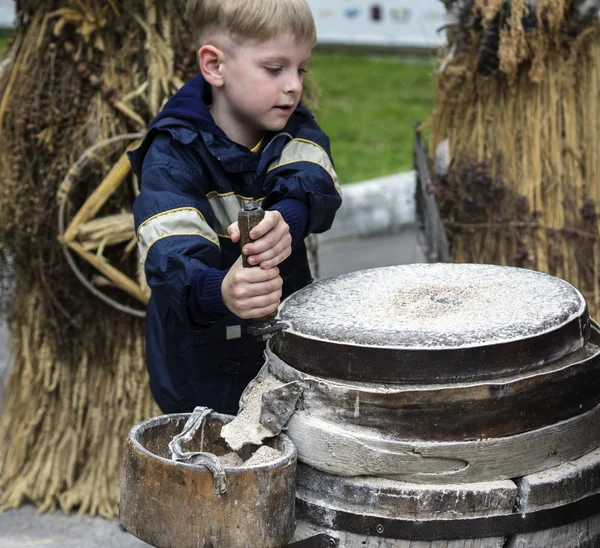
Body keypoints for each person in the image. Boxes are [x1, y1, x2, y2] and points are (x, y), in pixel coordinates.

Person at [129, 0, 342, 415]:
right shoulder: (173, 152)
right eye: (274, 68)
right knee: (213, 464)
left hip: (282, 353)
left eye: (301, 69)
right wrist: (220, 289)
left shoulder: (296, 127)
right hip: (198, 367)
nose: (294, 85)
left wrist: (289, 219)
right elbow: (169, 252)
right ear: (215, 66)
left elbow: (314, 178)